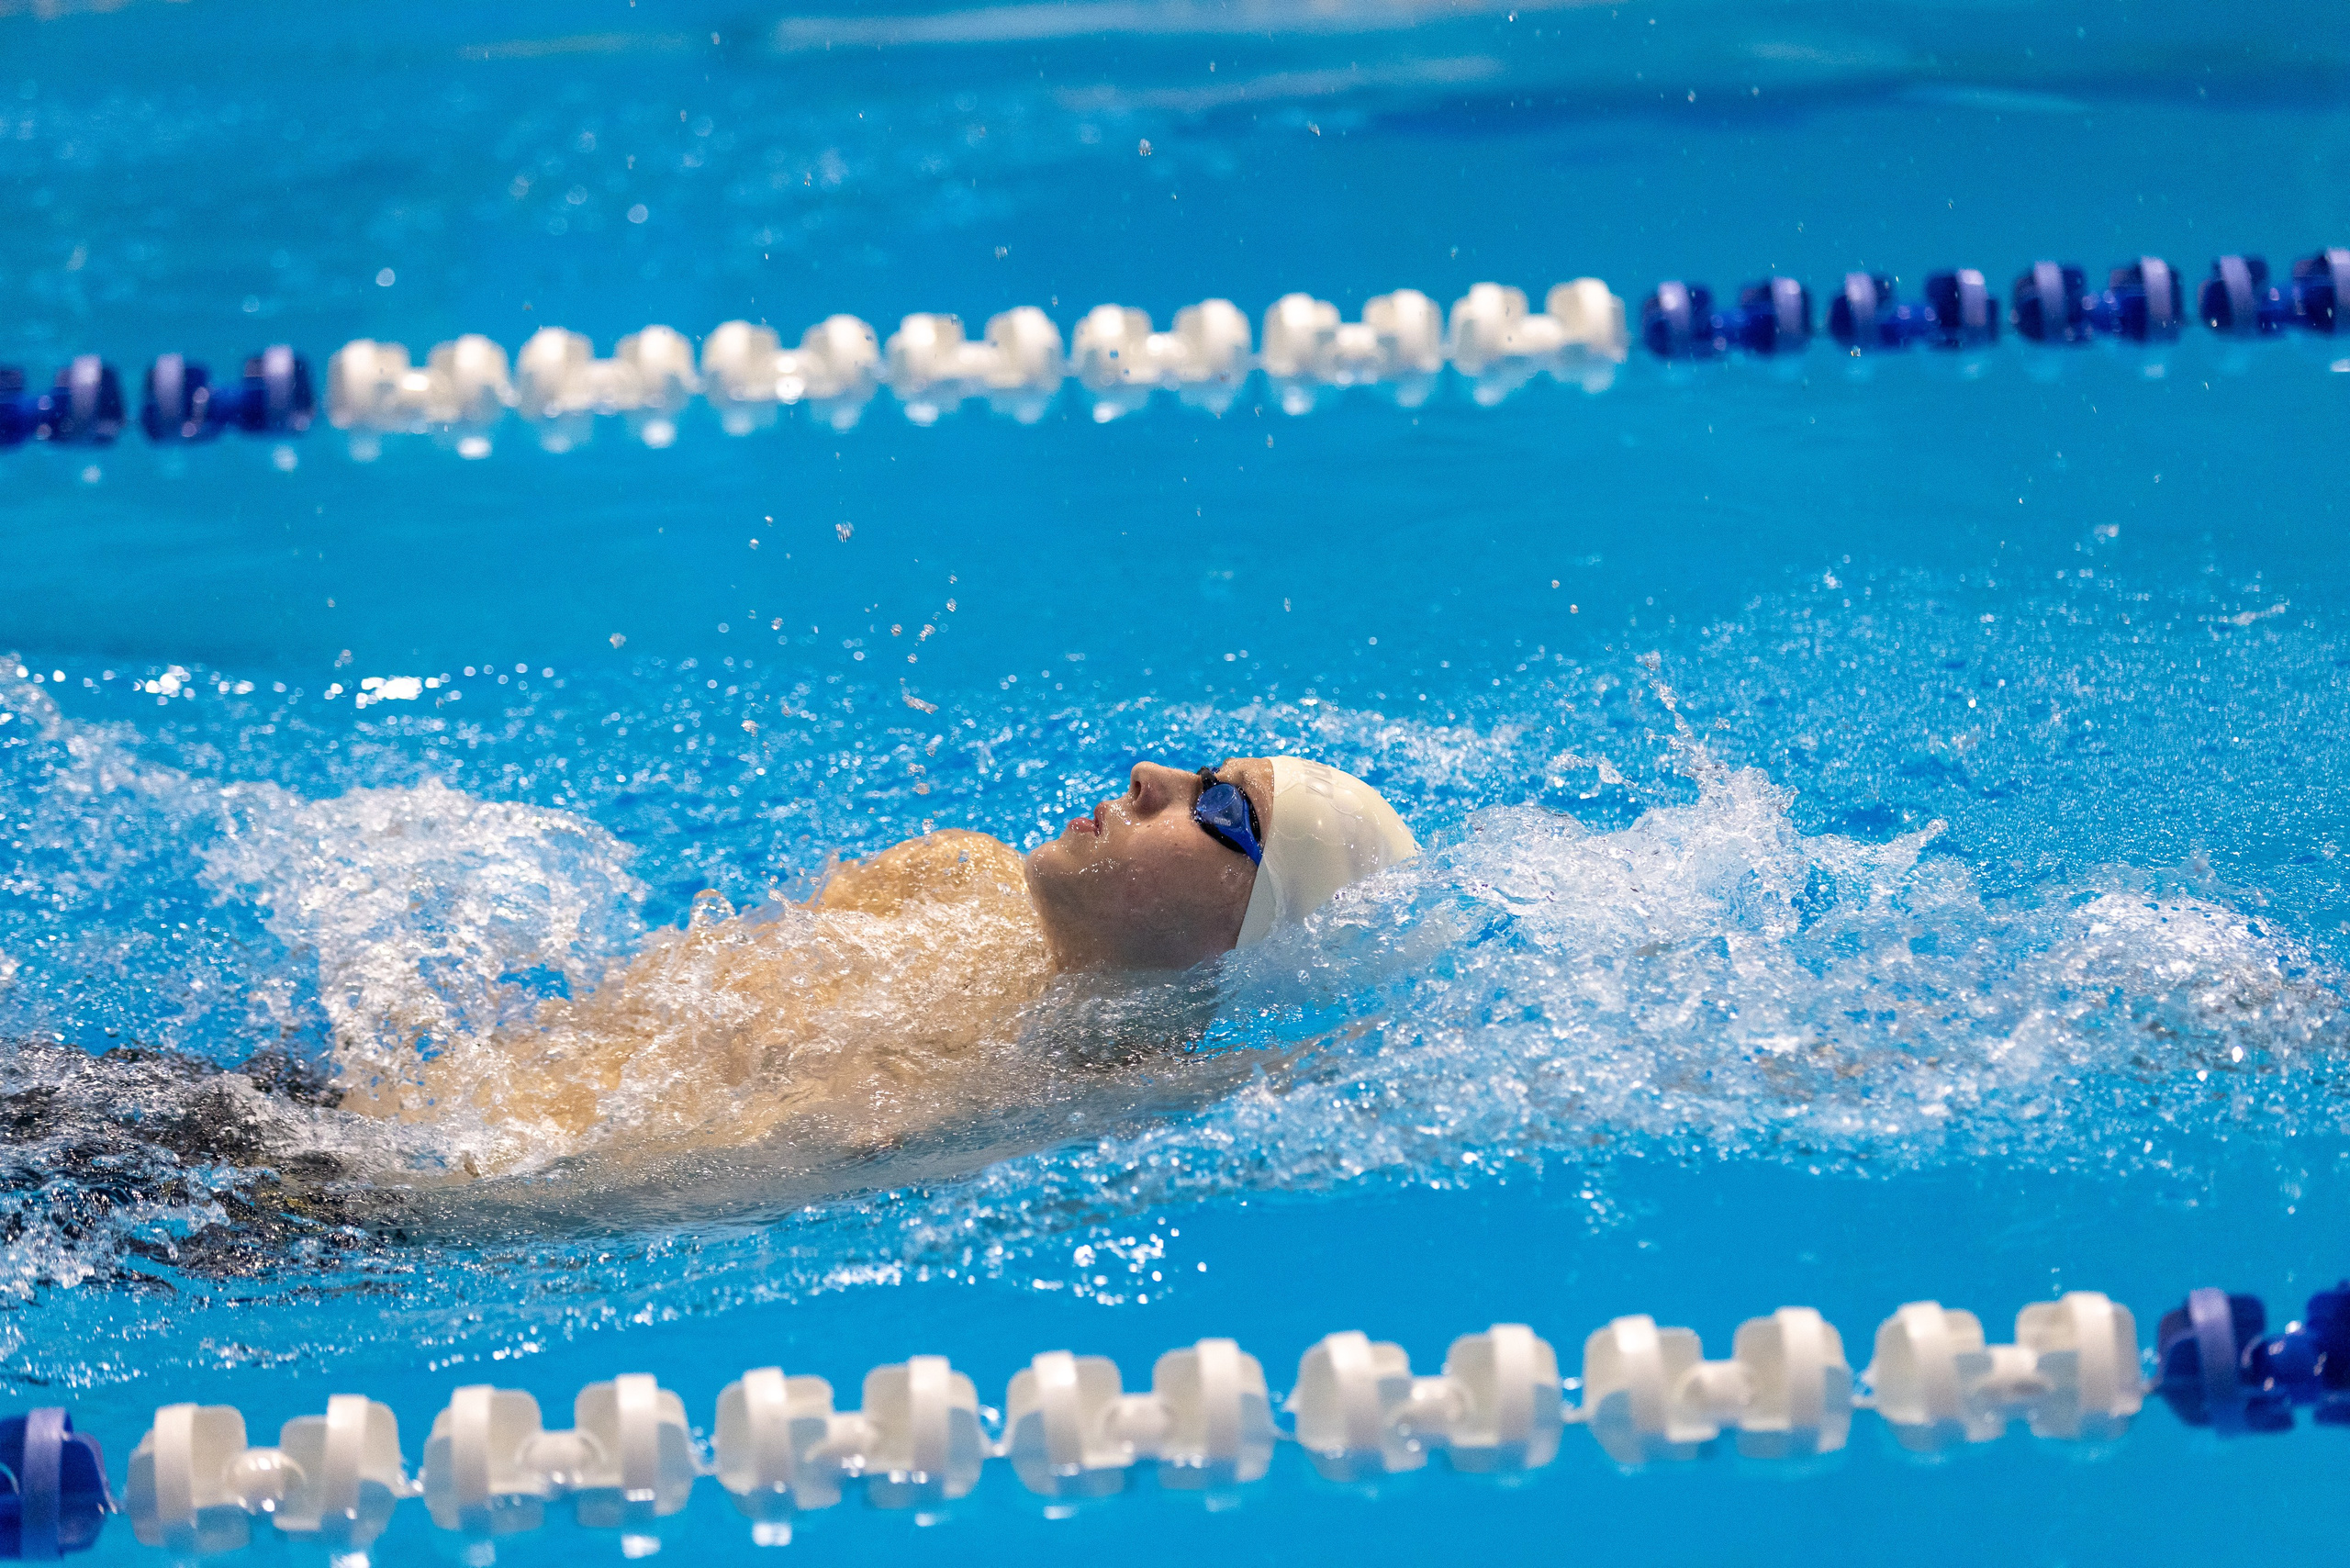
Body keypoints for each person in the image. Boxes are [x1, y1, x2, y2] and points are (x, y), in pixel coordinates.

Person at [361, 756, 1417, 1177]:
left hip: (409, 1210)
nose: (1152, 774)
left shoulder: (1055, 1114)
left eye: (1222, 807)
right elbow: (616, 1022)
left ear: (1255, 934)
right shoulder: (941, 875)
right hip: (372, 1108)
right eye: (1201, 767)